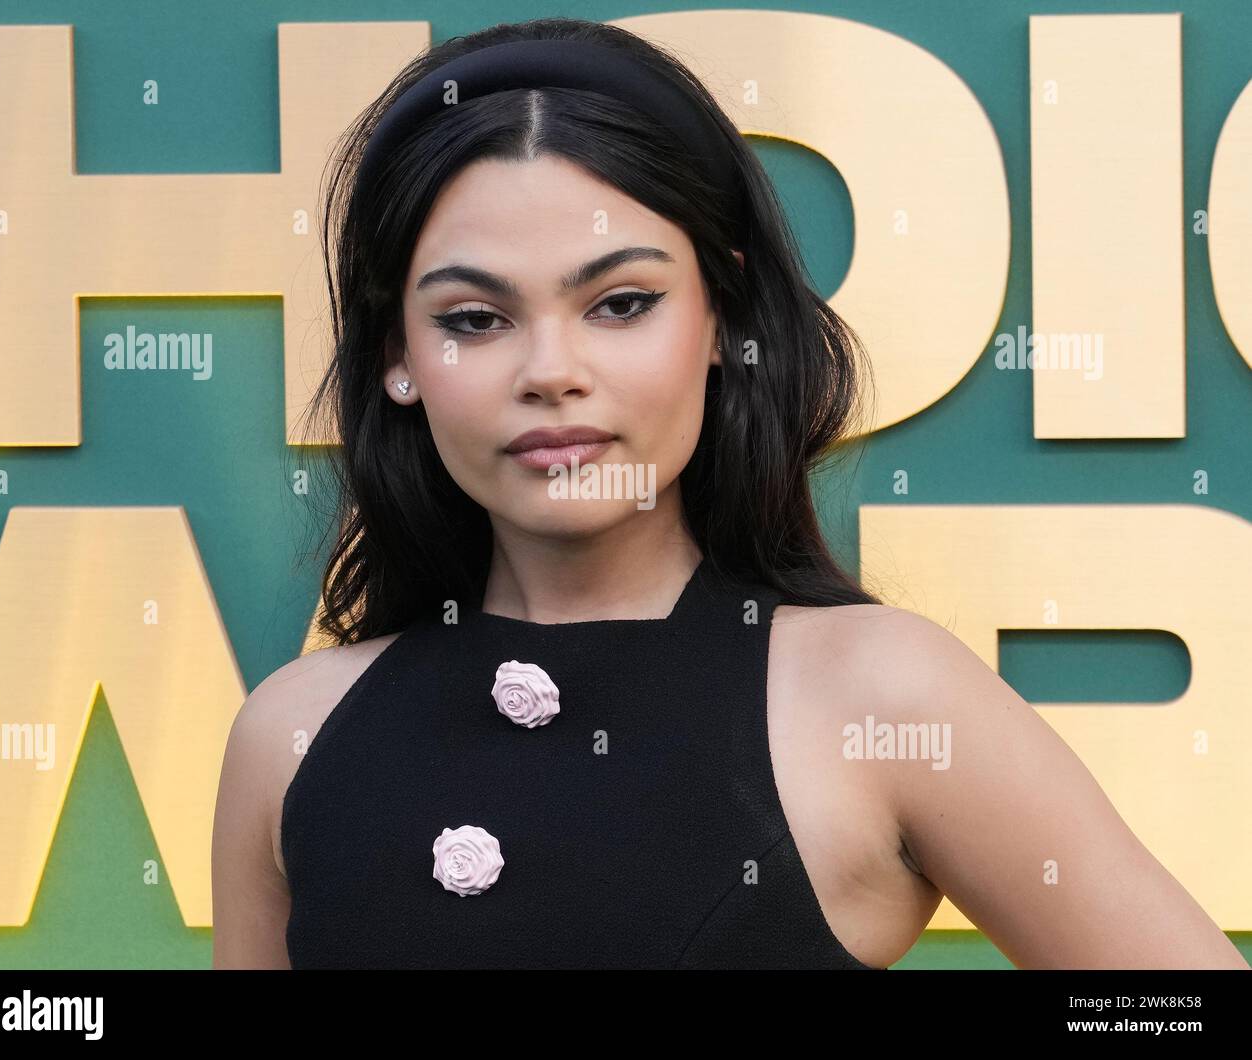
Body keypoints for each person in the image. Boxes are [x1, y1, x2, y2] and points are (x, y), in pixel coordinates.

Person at [211, 16, 1247, 970]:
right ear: (399, 355)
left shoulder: (878, 693)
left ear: (721, 321)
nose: (551, 369)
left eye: (621, 302)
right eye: (475, 318)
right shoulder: (290, 734)